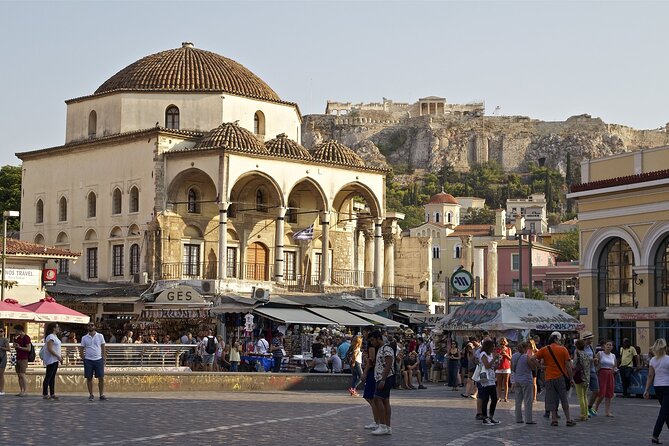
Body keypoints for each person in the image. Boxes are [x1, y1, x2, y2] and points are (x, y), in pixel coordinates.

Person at [534, 331, 576, 426]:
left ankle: (554, 419)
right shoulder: (563, 349)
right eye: (560, 339)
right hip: (560, 377)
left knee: (551, 399)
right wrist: (571, 378)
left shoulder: (544, 349)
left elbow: (532, 358)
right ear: (556, 339)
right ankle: (568, 419)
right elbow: (568, 366)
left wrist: (541, 367)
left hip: (549, 377)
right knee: (564, 398)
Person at [368, 329, 395, 436]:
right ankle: (387, 427)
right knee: (385, 401)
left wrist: (383, 379)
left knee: (377, 399)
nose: (372, 342)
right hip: (382, 377)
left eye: (373, 340)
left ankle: (383, 425)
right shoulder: (380, 349)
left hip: (385, 377)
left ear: (378, 338)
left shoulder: (386, 348)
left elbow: (389, 364)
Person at [645, 338, 669, 444]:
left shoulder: (653, 360)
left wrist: (646, 389)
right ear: (665, 347)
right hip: (667, 386)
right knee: (664, 413)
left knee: (666, 412)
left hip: (657, 387)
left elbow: (650, 376)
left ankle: (656, 435)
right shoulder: (668, 359)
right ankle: (655, 435)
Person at [512, 341, 538, 424]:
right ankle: (528, 419)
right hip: (526, 380)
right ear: (525, 348)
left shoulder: (514, 356)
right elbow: (533, 367)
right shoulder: (526, 357)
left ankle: (518, 418)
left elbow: (512, 367)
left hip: (517, 379)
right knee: (528, 400)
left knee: (518, 401)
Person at [80, 322, 107, 401]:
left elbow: (103, 346)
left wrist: (104, 356)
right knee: (89, 378)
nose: (90, 326)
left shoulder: (100, 336)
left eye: (92, 325)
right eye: (89, 325)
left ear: (95, 326)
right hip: (88, 360)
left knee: (101, 377)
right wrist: (83, 357)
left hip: (98, 359)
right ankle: (91, 394)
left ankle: (101, 394)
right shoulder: (84, 338)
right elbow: (81, 348)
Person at [593, 340, 618, 417]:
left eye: (610, 345)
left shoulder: (613, 356)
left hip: (610, 374)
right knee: (601, 393)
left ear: (612, 347)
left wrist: (614, 370)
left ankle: (607, 411)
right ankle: (595, 409)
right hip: (602, 373)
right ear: (604, 346)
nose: (608, 346)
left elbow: (615, 366)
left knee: (609, 393)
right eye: (607, 345)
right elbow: (596, 363)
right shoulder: (600, 354)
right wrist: (596, 362)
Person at [581, 331, 601, 417]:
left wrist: (596, 360)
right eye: (589, 339)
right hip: (584, 372)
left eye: (591, 339)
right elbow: (581, 360)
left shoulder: (591, 348)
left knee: (596, 390)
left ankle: (589, 407)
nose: (591, 341)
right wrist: (591, 360)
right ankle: (585, 410)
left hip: (592, 371)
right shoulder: (581, 348)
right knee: (584, 392)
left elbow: (593, 357)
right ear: (585, 340)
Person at [42, 322, 63, 400]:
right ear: (54, 328)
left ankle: (52, 393)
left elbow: (57, 348)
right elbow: (50, 349)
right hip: (51, 359)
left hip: (55, 359)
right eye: (57, 327)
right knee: (48, 376)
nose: (58, 328)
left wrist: (60, 356)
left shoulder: (55, 336)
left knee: (52, 377)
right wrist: (58, 356)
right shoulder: (50, 337)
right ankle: (45, 393)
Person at [573, 339, 592, 421]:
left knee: (580, 397)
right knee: (585, 397)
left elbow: (574, 365)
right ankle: (586, 413)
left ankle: (582, 415)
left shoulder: (577, 353)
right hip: (587, 377)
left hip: (580, 377)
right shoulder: (586, 354)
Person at [13, 324, 31, 397]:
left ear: (20, 331)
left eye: (16, 331)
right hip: (18, 357)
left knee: (22, 374)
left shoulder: (26, 338)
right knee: (19, 375)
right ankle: (21, 390)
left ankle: (25, 391)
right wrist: (16, 346)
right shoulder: (18, 338)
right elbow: (17, 348)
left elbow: (28, 349)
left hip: (24, 358)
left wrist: (20, 347)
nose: (15, 333)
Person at [495, 337, 512, 402]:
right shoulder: (497, 349)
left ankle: (505, 397)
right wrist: (499, 354)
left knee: (506, 383)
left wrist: (506, 354)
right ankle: (498, 397)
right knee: (499, 383)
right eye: (501, 342)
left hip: (506, 367)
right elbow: (495, 357)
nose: (503, 343)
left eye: (504, 342)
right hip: (499, 367)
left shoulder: (508, 349)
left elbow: (511, 358)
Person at [0, 327, 10, 395]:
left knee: (1, 375)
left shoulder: (5, 340)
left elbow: (8, 349)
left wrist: (1, 347)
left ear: (4, 332)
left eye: (1, 331)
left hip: (2, 358)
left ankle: (1, 390)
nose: (0, 332)